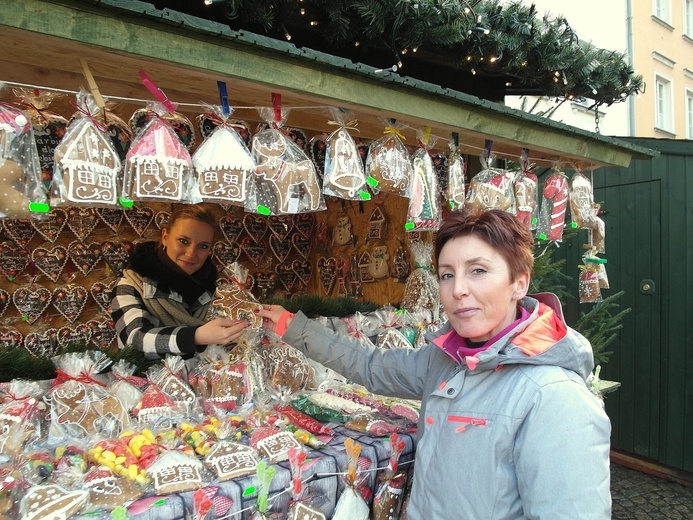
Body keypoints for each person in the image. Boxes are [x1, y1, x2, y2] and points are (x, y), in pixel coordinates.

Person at [258, 208, 611, 519]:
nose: (458, 290)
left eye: (478, 270)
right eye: (447, 274)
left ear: (519, 282)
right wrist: (294, 327)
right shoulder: (444, 361)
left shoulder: (554, 397)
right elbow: (370, 365)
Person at [111, 204, 248, 360]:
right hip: (149, 383)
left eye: (202, 246)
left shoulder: (213, 292)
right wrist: (196, 336)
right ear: (165, 237)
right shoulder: (131, 283)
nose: (191, 254)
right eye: (183, 241)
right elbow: (134, 340)